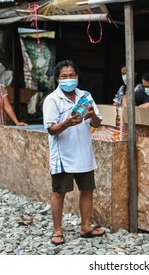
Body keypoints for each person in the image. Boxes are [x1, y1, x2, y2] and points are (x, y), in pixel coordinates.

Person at [42, 60, 105, 246]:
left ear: (77, 77)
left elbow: (98, 123)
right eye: (64, 76)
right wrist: (66, 123)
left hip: (84, 152)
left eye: (71, 76)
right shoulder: (52, 100)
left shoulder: (85, 95)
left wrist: (92, 114)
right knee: (59, 192)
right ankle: (57, 230)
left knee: (87, 189)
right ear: (57, 79)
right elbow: (51, 130)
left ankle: (85, 226)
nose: (68, 79)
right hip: (63, 155)